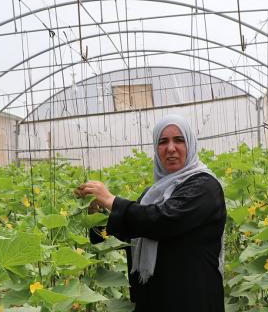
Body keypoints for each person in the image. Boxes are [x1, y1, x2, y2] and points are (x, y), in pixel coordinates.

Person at [76, 115, 226, 312]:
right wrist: (97, 215)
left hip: (192, 298)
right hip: (154, 299)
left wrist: (112, 201)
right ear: (156, 149)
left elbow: (162, 221)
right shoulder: (152, 194)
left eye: (179, 140)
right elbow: (128, 228)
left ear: (191, 144)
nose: (170, 148)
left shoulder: (205, 186)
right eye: (163, 142)